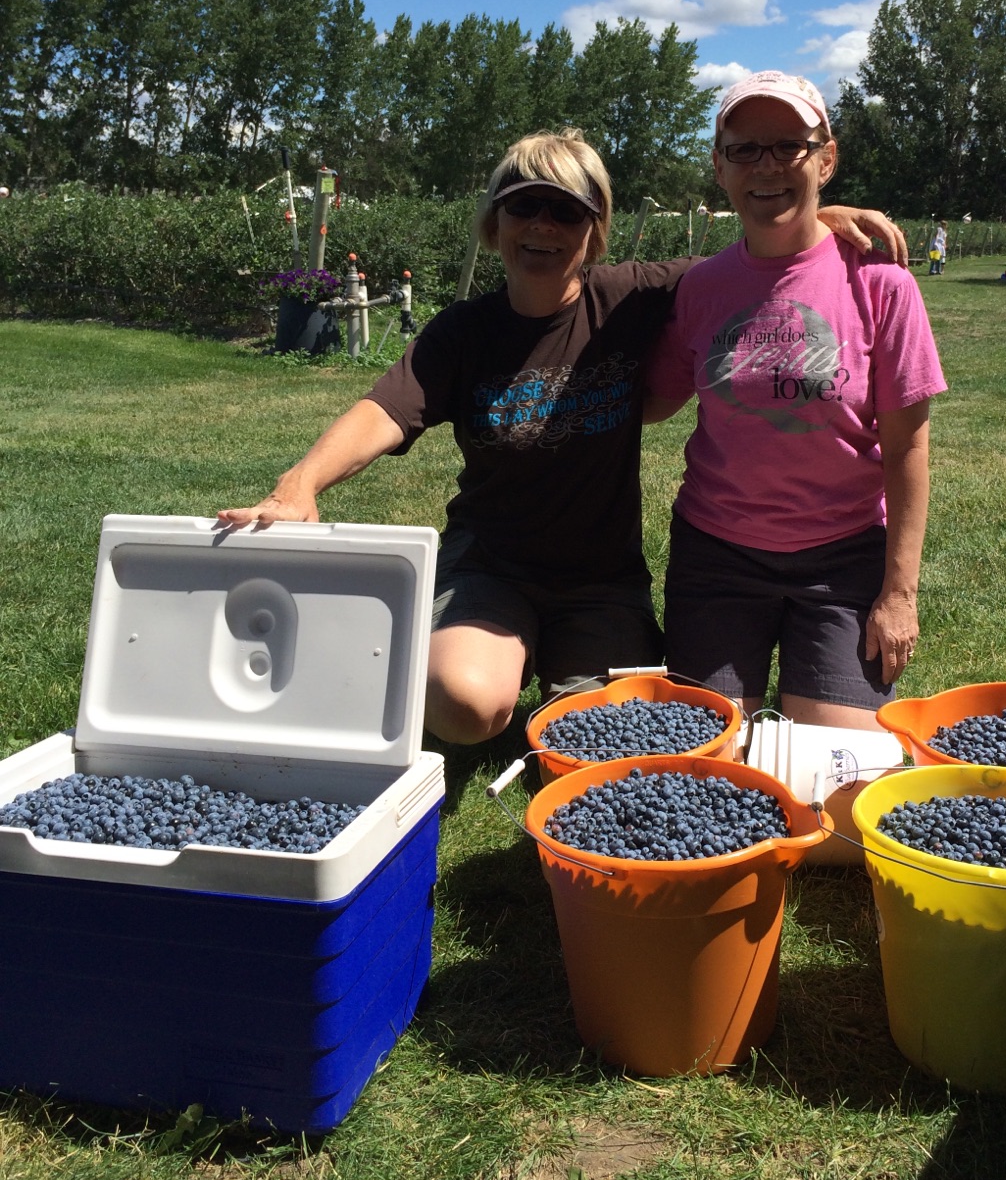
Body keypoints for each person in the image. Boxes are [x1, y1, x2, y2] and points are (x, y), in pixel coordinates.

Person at [217, 126, 908, 746]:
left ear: (594, 229)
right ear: (494, 222)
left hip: (602, 583)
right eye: (524, 206)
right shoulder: (463, 333)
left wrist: (817, 219)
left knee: (604, 736)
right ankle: (445, 655)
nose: (542, 225)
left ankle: (553, 662)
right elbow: (384, 411)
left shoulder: (634, 297)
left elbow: (759, 259)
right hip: (489, 568)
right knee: (464, 704)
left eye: (567, 211)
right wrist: (301, 483)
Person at [645, 72, 946, 733]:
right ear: (720, 167)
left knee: (841, 774)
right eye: (745, 149)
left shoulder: (883, 284)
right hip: (717, 554)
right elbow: (650, 403)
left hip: (843, 558)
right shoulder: (701, 288)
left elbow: (908, 447)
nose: (767, 166)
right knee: (709, 752)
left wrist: (899, 594)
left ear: (825, 159)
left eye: (789, 146)